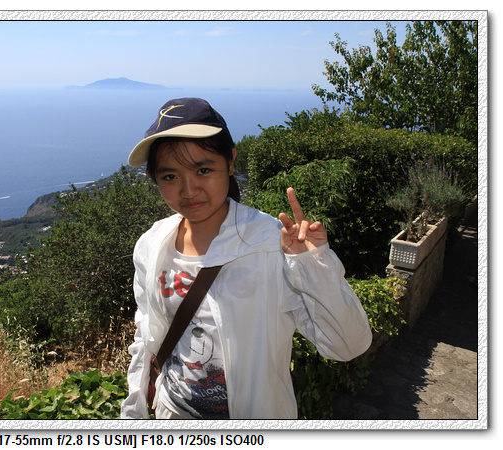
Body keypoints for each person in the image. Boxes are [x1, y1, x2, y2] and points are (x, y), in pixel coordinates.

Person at [120, 97, 372, 419]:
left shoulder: (271, 245)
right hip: (172, 414)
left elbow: (346, 345)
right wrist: (135, 410)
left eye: (203, 170)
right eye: (170, 177)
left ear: (230, 161)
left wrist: (312, 265)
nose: (188, 190)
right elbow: (148, 331)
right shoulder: (153, 244)